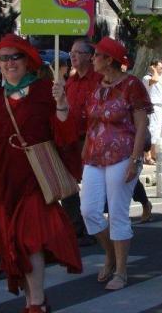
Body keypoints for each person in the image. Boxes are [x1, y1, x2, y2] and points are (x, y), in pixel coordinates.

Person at [0, 33, 81, 312]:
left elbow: (66, 134)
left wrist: (62, 104)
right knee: (13, 244)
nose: (9, 62)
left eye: (15, 57)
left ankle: (36, 303)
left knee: (30, 240)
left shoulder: (44, 91)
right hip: (5, 181)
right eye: (3, 58)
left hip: (35, 178)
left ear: (27, 61)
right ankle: (32, 300)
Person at [78, 36, 152, 291]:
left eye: (97, 55)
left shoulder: (132, 85)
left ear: (109, 60)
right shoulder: (97, 85)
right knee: (89, 211)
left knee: (118, 212)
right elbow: (88, 120)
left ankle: (121, 270)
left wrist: (135, 158)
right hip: (94, 156)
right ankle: (110, 254)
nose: (92, 58)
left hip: (122, 154)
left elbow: (142, 123)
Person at [64, 38, 103, 246]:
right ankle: (75, 226)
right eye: (72, 52)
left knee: (90, 184)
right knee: (68, 184)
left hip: (93, 139)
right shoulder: (70, 81)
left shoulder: (99, 79)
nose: (73, 55)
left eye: (78, 52)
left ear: (89, 56)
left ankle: (92, 228)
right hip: (70, 139)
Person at [143, 58, 162, 164]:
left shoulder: (160, 79)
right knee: (153, 131)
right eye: (160, 67)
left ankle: (154, 154)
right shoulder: (147, 78)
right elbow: (155, 80)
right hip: (154, 107)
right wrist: (154, 71)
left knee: (160, 132)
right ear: (153, 67)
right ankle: (147, 156)